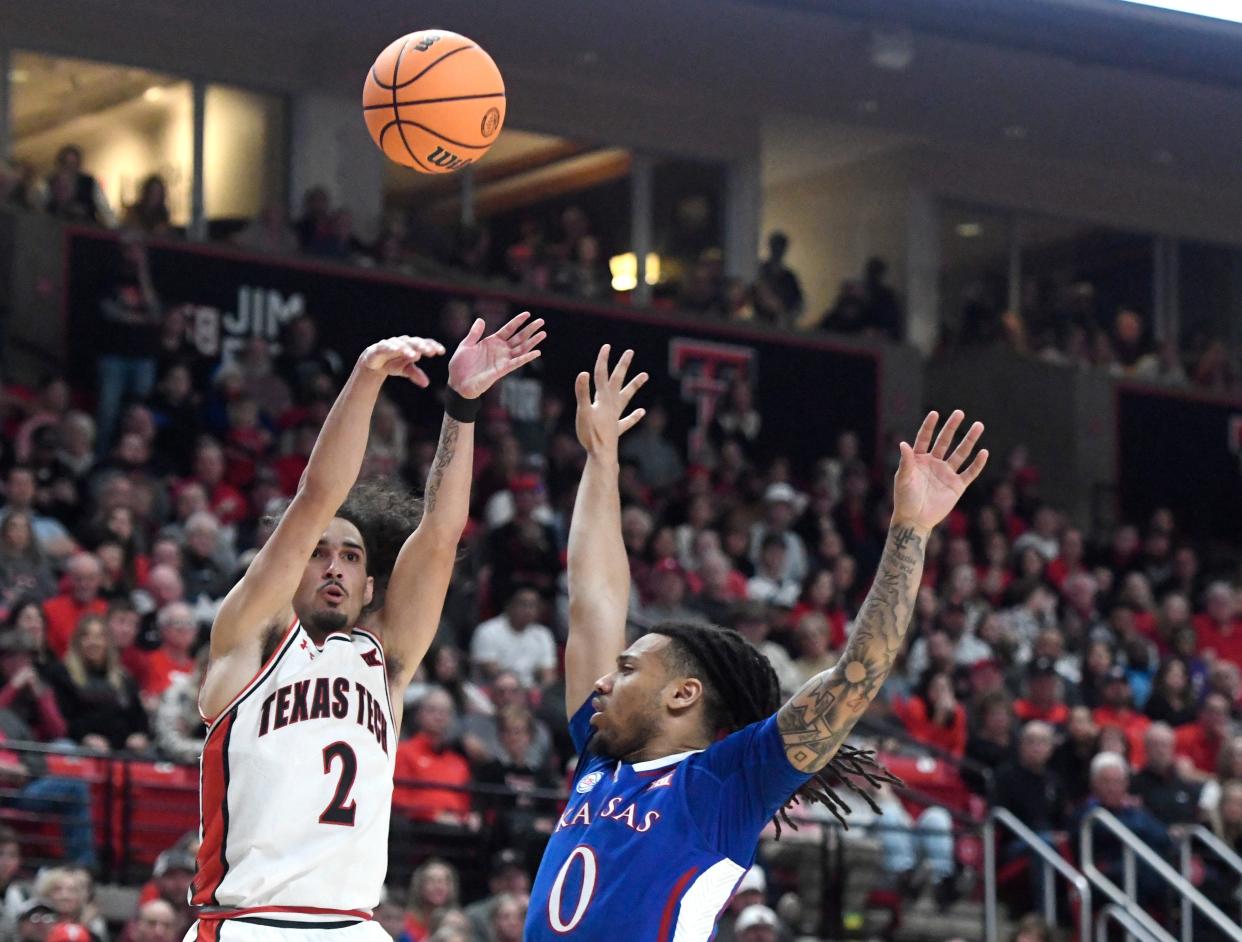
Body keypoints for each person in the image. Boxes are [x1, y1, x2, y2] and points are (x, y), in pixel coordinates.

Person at [524, 345, 988, 939]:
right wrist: (602, 457)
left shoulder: (727, 782)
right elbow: (592, 601)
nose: (602, 681)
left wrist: (909, 532)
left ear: (683, 694)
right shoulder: (599, 757)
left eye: (629, 669)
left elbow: (857, 675)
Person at [188, 315, 543, 934]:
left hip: (356, 923)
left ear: (370, 583)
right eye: (318, 553)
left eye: (351, 556)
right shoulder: (250, 638)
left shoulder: (385, 662)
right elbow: (316, 497)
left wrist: (461, 407)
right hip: (251, 921)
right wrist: (365, 377)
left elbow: (439, 532)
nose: (333, 566)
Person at [95, 235, 164, 457]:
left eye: (138, 250)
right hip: (114, 354)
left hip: (143, 355)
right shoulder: (109, 277)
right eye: (129, 249)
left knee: (140, 415)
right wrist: (138, 318)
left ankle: (137, 457)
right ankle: (103, 457)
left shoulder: (151, 280)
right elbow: (109, 312)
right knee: (109, 410)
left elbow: (155, 313)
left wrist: (143, 275)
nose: (133, 255)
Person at [45, 613, 150, 753]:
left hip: (122, 748)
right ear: (77, 641)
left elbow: (139, 719)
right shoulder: (61, 673)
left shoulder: (124, 678)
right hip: (79, 745)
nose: (93, 642)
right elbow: (63, 720)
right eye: (86, 637)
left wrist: (140, 736)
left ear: (108, 642)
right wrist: (85, 738)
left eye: (99, 637)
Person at [469, 588, 557, 688]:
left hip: (529, 693)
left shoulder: (543, 634)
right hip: (495, 690)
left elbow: (548, 674)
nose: (528, 610)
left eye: (533, 605)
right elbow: (491, 671)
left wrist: (543, 693)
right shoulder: (487, 631)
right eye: (523, 604)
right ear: (509, 605)